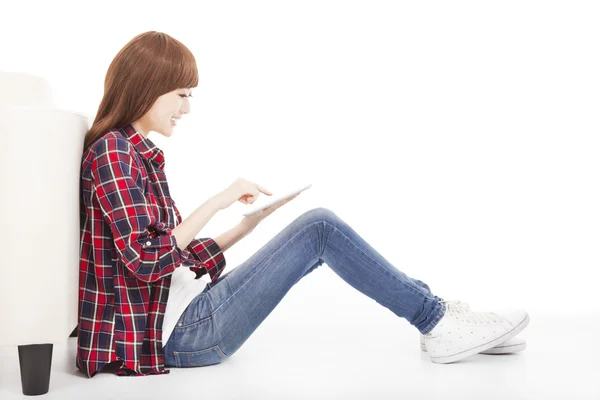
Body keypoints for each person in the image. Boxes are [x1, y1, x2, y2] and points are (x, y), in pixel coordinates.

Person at [76, 31, 529, 378]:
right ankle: (437, 321)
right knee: (320, 229)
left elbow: (176, 256)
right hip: (172, 334)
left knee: (316, 232)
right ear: (147, 88)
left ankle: (439, 315)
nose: (187, 108)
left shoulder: (135, 152)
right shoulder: (113, 153)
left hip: (181, 312)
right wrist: (217, 201)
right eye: (182, 95)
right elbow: (146, 261)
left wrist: (248, 225)